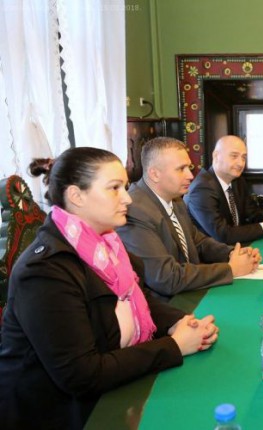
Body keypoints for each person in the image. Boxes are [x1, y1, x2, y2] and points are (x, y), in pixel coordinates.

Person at [0, 148, 219, 429]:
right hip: (56, 414)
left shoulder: (106, 244)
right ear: (76, 196)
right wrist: (174, 346)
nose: (127, 198)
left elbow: (138, 299)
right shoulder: (45, 271)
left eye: (125, 187)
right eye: (114, 188)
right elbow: (82, 375)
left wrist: (177, 322)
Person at [116, 137, 260, 299]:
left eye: (189, 168)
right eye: (181, 169)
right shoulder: (135, 210)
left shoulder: (176, 199)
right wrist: (230, 269)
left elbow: (198, 242)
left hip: (190, 290)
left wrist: (234, 253)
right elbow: (165, 278)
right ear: (155, 174)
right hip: (167, 305)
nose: (190, 175)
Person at [184, 135, 263, 245]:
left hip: (238, 245)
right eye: (234, 156)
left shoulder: (237, 180)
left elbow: (252, 211)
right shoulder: (201, 189)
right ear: (216, 156)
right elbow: (223, 234)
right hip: (214, 253)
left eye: (243, 158)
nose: (240, 163)